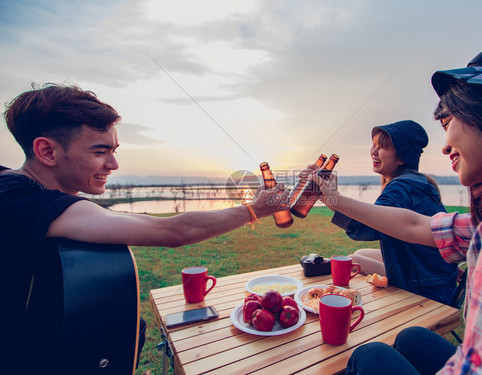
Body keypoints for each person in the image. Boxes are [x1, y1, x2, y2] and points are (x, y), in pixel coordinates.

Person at [308, 28, 482, 374]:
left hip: (425, 286)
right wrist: (333, 198)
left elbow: (372, 226)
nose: (445, 146)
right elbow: (417, 225)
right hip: (442, 282)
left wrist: (331, 199)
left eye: (453, 120)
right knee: (410, 337)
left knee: (369, 355)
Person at [0, 83, 290, 373]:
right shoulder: (19, 202)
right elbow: (173, 231)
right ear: (47, 151)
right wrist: (257, 209)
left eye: (114, 150)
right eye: (100, 151)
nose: (113, 163)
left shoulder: (17, 190)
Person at [331, 120, 457, 305]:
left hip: (427, 288)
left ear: (401, 157)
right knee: (358, 255)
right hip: (436, 276)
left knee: (353, 260)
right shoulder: (418, 181)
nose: (373, 151)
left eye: (381, 147)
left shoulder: (401, 187)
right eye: (373, 145)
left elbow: (365, 227)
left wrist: (331, 198)